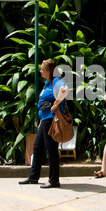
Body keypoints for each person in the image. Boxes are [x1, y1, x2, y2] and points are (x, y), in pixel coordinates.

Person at [19, 59, 69, 188]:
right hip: (45, 120)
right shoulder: (47, 83)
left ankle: (54, 180)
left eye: (42, 69)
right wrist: (41, 120)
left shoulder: (56, 81)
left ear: (49, 71)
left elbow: (65, 90)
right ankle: (33, 177)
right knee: (37, 147)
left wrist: (56, 104)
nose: (40, 71)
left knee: (51, 149)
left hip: (52, 120)